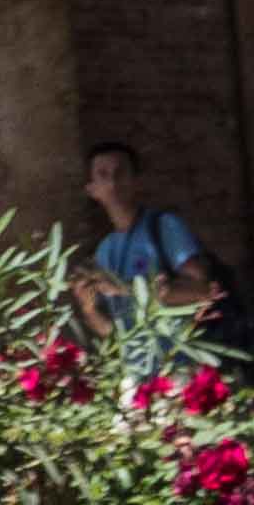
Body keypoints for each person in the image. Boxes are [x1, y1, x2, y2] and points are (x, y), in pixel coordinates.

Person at [72, 135, 220, 350]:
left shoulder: (164, 227)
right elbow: (115, 335)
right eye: (103, 175)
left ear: (137, 181)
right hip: (136, 377)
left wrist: (126, 288)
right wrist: (89, 310)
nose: (113, 183)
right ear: (92, 189)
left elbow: (203, 291)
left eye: (121, 173)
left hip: (179, 369)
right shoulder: (105, 250)